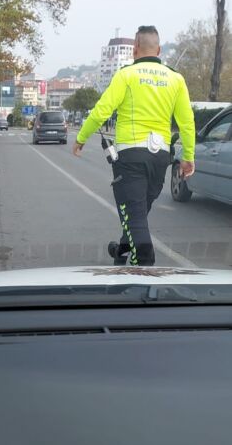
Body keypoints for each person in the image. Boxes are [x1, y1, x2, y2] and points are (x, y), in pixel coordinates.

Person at [72, 26, 195, 266]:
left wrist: (81, 138)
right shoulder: (176, 78)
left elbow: (102, 111)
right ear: (158, 50)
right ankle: (121, 250)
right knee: (137, 212)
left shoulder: (126, 75)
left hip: (131, 159)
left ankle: (144, 270)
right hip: (161, 159)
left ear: (135, 50)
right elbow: (186, 122)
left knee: (135, 215)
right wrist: (188, 156)